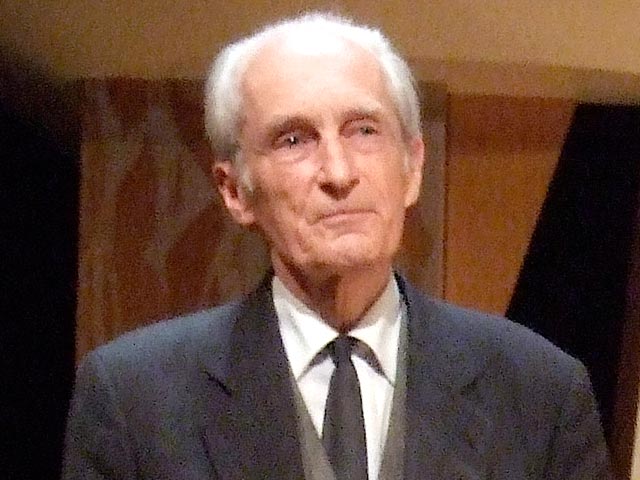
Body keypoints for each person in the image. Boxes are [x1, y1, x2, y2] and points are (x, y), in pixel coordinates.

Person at [63, 12, 612, 480]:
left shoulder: (542, 394)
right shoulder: (132, 400)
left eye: (364, 130)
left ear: (413, 167)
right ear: (235, 191)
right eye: (294, 140)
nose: (339, 172)